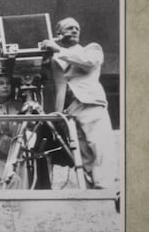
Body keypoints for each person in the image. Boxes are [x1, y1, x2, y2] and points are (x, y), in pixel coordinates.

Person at [40, 17, 115, 189]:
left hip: (90, 103)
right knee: (82, 153)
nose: (74, 30)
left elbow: (89, 63)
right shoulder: (56, 58)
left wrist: (57, 48)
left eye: (76, 28)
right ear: (58, 33)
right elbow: (59, 88)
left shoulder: (92, 49)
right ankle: (90, 188)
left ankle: (105, 188)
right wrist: (59, 115)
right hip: (71, 110)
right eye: (69, 28)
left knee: (99, 145)